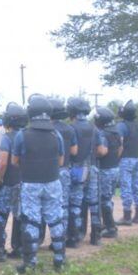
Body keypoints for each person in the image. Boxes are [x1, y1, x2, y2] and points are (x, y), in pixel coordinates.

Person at [11, 95, 66, 273]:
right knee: (56, 219)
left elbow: (15, 161)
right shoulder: (56, 134)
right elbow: (61, 160)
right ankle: (60, 260)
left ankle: (30, 263)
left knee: (31, 221)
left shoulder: (22, 135)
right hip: (52, 182)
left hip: (30, 183)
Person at [67, 97, 108, 247]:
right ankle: (96, 237)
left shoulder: (71, 128)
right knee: (94, 203)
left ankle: (75, 237)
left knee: (75, 203)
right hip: (93, 168)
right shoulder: (94, 129)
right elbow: (101, 150)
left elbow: (72, 151)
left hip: (77, 169)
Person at [0, 103, 28, 261]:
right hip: (25, 181)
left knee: (1, 214)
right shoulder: (28, 135)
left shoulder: (7, 138)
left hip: (9, 181)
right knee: (20, 215)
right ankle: (19, 247)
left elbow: (2, 162)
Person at [115, 100, 138, 226]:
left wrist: (117, 158)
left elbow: (120, 143)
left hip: (125, 160)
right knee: (136, 186)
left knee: (126, 187)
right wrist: (137, 141)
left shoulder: (121, 126)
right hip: (136, 159)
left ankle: (127, 216)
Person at [50, 98, 78, 247]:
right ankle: (63, 235)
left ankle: (48, 237)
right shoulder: (69, 129)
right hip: (65, 170)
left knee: (48, 205)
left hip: (49, 172)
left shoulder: (46, 129)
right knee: (64, 204)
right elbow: (74, 151)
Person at [94, 107, 122, 239]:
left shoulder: (103, 134)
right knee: (109, 198)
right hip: (115, 168)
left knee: (104, 199)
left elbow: (102, 151)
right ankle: (107, 224)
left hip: (105, 169)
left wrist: (94, 154)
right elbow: (120, 149)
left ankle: (111, 228)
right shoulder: (116, 131)